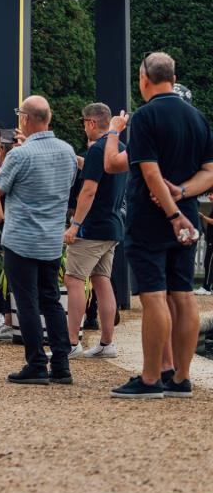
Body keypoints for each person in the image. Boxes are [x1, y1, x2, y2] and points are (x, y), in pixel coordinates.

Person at [105, 52, 213, 399]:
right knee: (182, 296)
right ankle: (181, 377)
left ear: (144, 79)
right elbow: (209, 173)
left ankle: (151, 377)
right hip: (188, 217)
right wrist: (183, 196)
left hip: (152, 221)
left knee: (154, 297)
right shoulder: (198, 119)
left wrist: (171, 212)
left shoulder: (145, 117)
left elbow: (150, 173)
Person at [0, 95, 77, 385]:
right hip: (50, 239)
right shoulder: (66, 151)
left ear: (25, 119)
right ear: (48, 118)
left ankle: (36, 363)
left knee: (26, 302)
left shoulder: (18, 155)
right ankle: (61, 365)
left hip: (21, 239)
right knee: (51, 300)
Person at [62, 103, 127, 359]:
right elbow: (96, 168)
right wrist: (76, 160)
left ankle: (70, 343)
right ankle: (106, 343)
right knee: (102, 280)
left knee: (74, 279)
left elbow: (89, 190)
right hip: (113, 225)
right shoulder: (118, 148)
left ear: (90, 123)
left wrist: (75, 225)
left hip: (93, 227)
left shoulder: (98, 149)